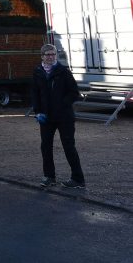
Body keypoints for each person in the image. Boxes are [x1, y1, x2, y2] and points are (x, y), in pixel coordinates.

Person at [31, 44, 85, 188]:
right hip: (46, 117)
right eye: (47, 54)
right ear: (42, 56)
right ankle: (49, 177)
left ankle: (78, 179)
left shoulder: (63, 72)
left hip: (64, 117)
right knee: (46, 146)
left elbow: (74, 93)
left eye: (53, 54)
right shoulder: (38, 72)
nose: (50, 57)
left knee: (68, 146)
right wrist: (37, 112)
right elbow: (35, 93)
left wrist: (62, 104)